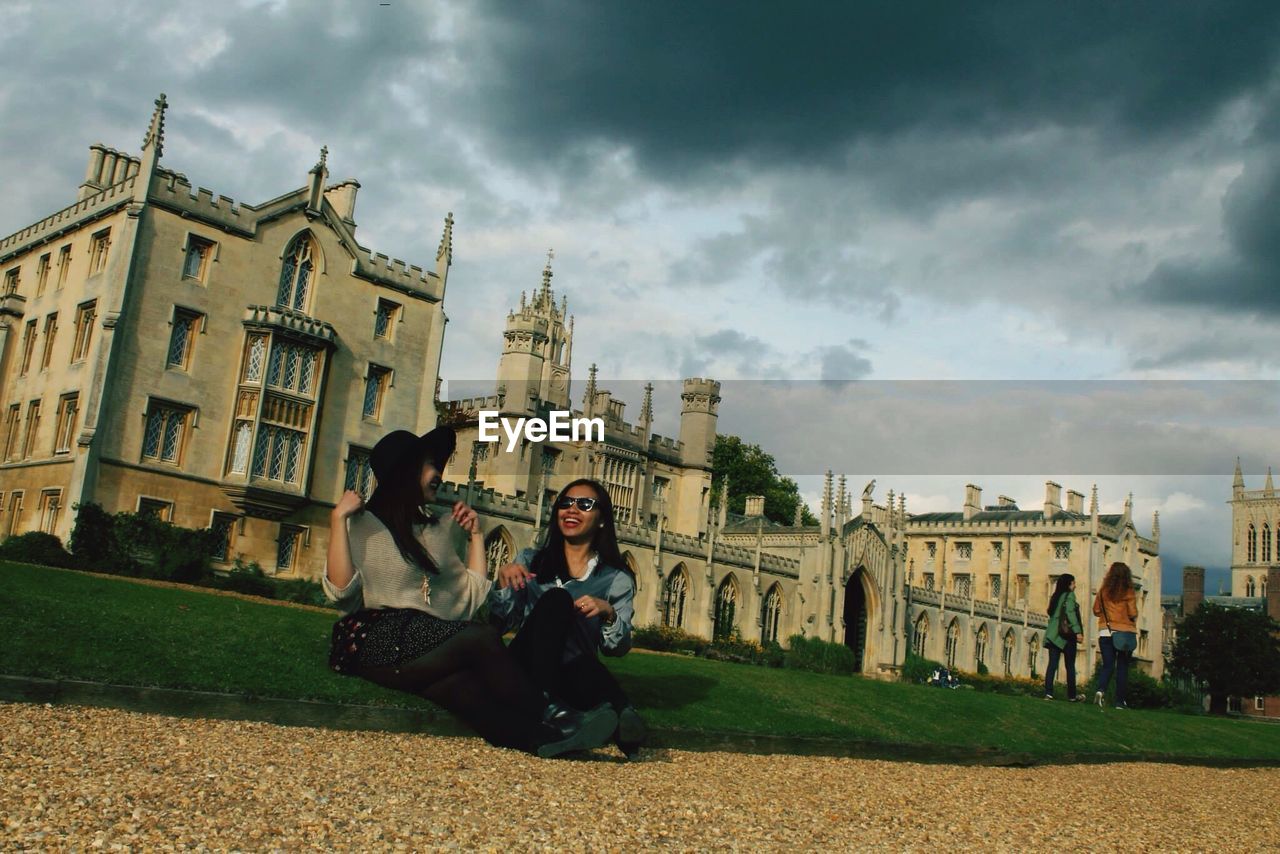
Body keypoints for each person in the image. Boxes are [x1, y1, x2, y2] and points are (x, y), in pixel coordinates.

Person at [323, 426, 617, 757]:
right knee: (480, 638)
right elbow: (341, 592)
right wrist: (337, 519)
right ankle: (557, 714)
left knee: (462, 688)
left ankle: (543, 739)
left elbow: (468, 597)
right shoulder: (360, 523)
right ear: (407, 471)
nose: (438, 474)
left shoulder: (436, 528)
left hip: (420, 649)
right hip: (372, 641)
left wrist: (476, 535)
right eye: (430, 465)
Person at [489, 478, 647, 759]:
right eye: (565, 503)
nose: (572, 510)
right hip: (525, 669)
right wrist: (503, 586)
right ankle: (619, 712)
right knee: (558, 601)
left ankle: (604, 721)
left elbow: (617, 649)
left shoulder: (615, 579)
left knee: (583, 663)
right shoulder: (530, 561)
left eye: (585, 504)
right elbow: (500, 625)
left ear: (601, 520)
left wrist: (608, 613)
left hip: (574, 675)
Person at [1093, 561, 1139, 710]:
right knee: (1122, 667)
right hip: (1124, 633)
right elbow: (1132, 613)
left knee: (1108, 665)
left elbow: (1096, 610)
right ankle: (1120, 702)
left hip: (1105, 632)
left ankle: (1101, 690)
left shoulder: (1103, 591)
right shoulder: (1128, 591)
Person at [1043, 573, 1084, 701]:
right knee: (1070, 665)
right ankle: (1072, 696)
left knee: (1052, 665)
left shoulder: (1055, 596)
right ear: (1069, 584)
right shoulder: (1070, 596)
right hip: (1066, 635)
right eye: (1074, 583)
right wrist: (1078, 631)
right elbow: (1070, 613)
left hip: (1052, 634)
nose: (1075, 586)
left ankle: (1048, 693)